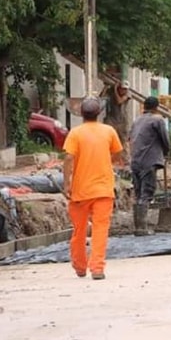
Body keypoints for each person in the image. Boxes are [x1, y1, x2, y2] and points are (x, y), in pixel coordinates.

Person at [62, 96, 124, 280]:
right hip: (104, 190)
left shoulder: (75, 133)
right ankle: (97, 268)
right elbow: (118, 153)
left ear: (81, 114)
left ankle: (80, 267)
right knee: (100, 230)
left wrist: (67, 183)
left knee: (79, 230)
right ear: (99, 113)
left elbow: (68, 158)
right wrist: (107, 160)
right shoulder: (109, 131)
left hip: (80, 191)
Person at [128, 96, 171, 236]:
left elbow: (131, 139)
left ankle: (138, 226)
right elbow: (165, 140)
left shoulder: (136, 120)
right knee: (147, 192)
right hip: (149, 161)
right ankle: (142, 228)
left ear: (144, 106)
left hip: (135, 161)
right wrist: (166, 152)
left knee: (138, 192)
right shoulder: (157, 120)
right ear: (156, 107)